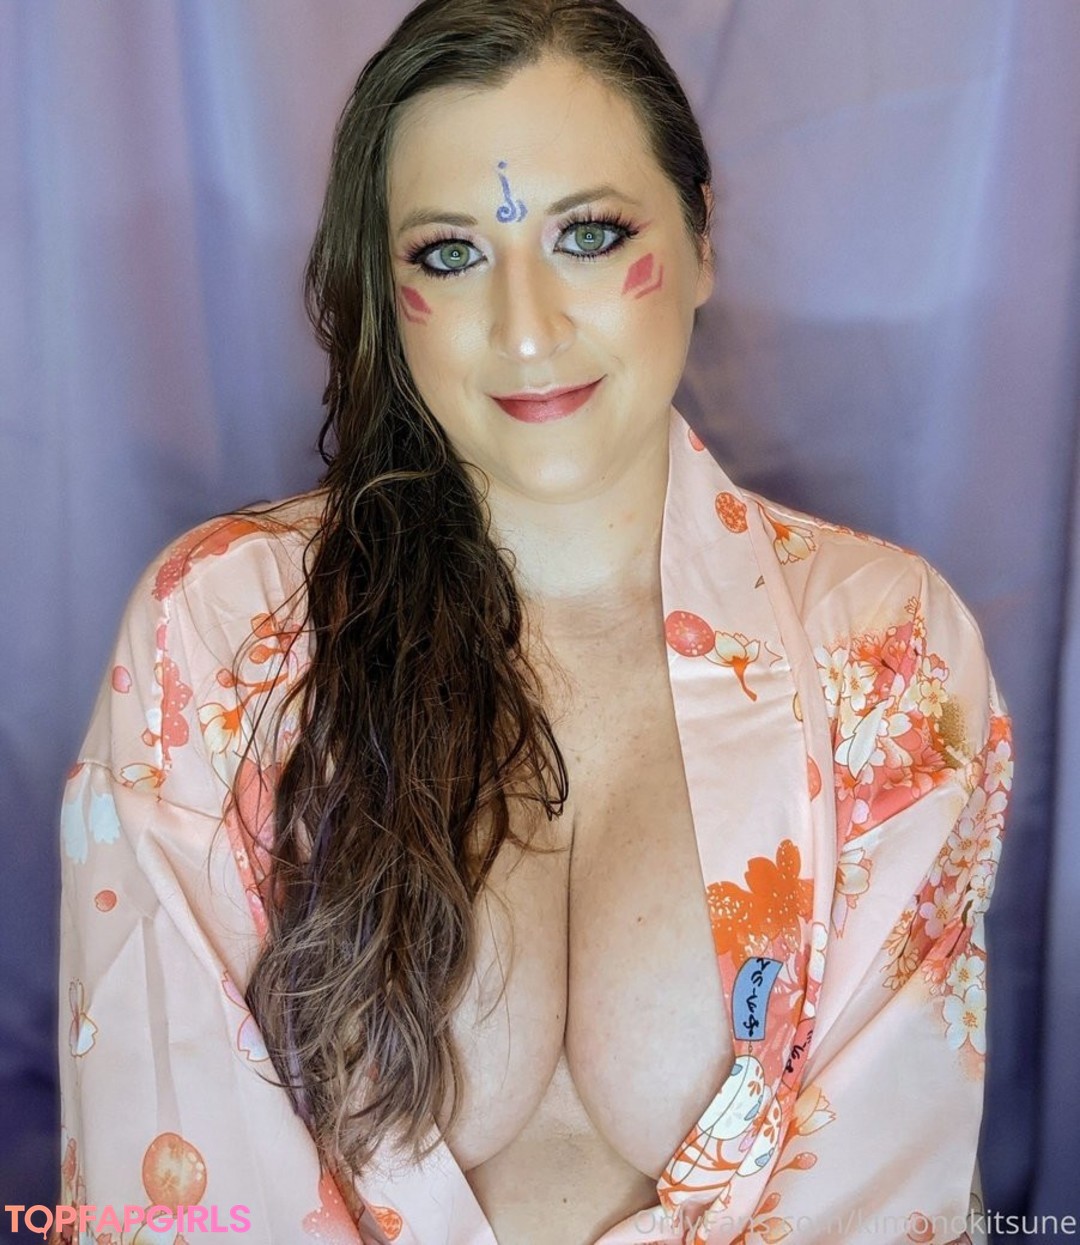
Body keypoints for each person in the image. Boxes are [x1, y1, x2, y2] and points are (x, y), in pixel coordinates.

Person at [55, 2, 1013, 1242]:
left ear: (701, 238)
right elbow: (177, 1195)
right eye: (452, 253)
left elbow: (880, 1200)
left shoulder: (884, 652)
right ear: (384, 283)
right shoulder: (220, 637)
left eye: (589, 235)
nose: (526, 329)